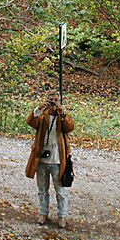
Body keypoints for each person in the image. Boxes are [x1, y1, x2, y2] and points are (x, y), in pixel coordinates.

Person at [26, 92, 75, 229]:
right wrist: (39, 108)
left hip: (58, 160)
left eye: (55, 100)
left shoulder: (62, 116)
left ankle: (62, 216)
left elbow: (70, 127)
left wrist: (63, 114)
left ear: (59, 101)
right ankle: (43, 213)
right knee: (42, 189)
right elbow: (31, 122)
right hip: (41, 159)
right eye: (51, 100)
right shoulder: (42, 116)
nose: (53, 103)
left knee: (60, 191)